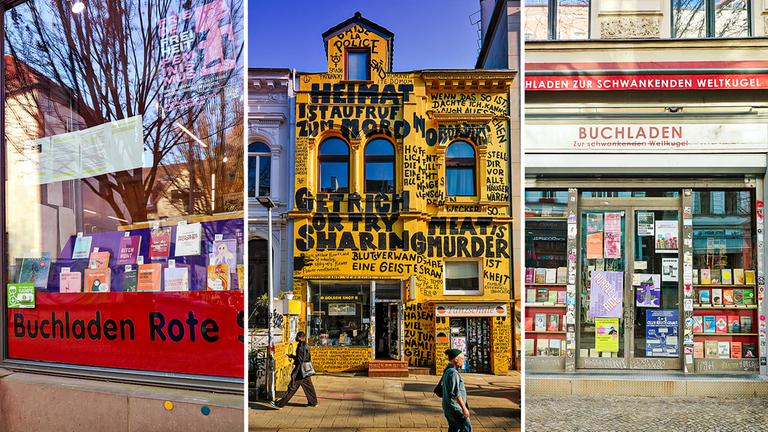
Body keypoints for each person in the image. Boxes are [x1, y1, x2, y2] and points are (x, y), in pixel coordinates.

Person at [271, 331, 318, 408]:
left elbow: (300, 361)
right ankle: (313, 402)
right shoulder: (305, 345)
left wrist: (295, 373)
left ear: (300, 337)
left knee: (292, 387)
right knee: (309, 387)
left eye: (297, 336)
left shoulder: (301, 346)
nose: (296, 338)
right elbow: (305, 357)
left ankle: (280, 404)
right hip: (305, 371)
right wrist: (293, 356)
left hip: (300, 372)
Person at [441, 348, 471, 432]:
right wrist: (464, 408)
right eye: (462, 359)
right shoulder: (453, 373)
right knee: (466, 428)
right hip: (455, 408)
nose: (463, 361)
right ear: (456, 359)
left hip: (448, 407)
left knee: (454, 428)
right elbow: (456, 393)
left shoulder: (447, 370)